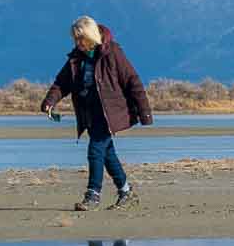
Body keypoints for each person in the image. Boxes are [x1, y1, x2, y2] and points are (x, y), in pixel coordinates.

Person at [39, 16, 154, 211]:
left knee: (95, 151)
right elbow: (62, 82)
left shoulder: (112, 52)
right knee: (107, 154)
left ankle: (93, 195)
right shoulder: (76, 58)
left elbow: (132, 80)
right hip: (89, 113)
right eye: (75, 39)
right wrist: (49, 102)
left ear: (91, 36)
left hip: (109, 113)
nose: (77, 43)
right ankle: (126, 192)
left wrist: (145, 113)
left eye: (80, 38)